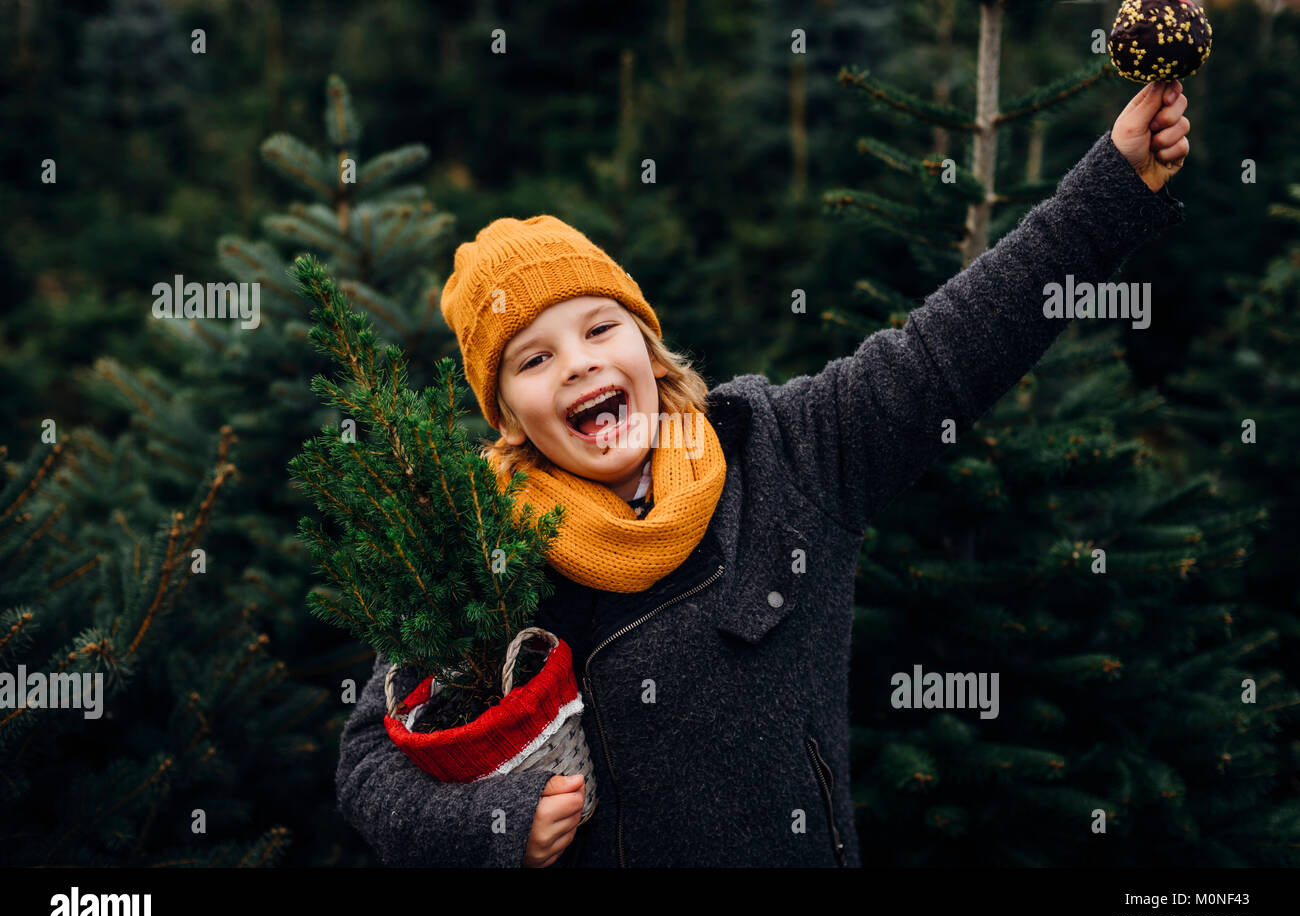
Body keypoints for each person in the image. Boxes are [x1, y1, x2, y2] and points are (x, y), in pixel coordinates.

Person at [335, 80, 1190, 867]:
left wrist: (1114, 182)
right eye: (533, 358)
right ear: (509, 414)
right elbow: (368, 764)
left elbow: (949, 351)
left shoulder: (786, 451)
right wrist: (499, 822)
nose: (576, 365)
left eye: (600, 328)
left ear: (645, 341)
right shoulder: (484, 550)